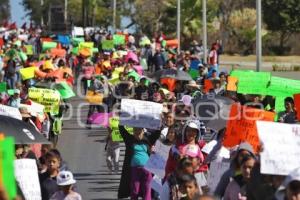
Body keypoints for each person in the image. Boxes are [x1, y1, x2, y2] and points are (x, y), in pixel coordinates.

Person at [117, 125, 160, 199]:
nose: (137, 132)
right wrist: (122, 118)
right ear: (133, 132)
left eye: (139, 130)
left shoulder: (148, 139)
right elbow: (122, 130)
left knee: (147, 190)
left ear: (143, 131)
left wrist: (160, 124)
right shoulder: (130, 139)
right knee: (135, 191)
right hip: (135, 170)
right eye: (135, 130)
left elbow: (157, 134)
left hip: (147, 170)